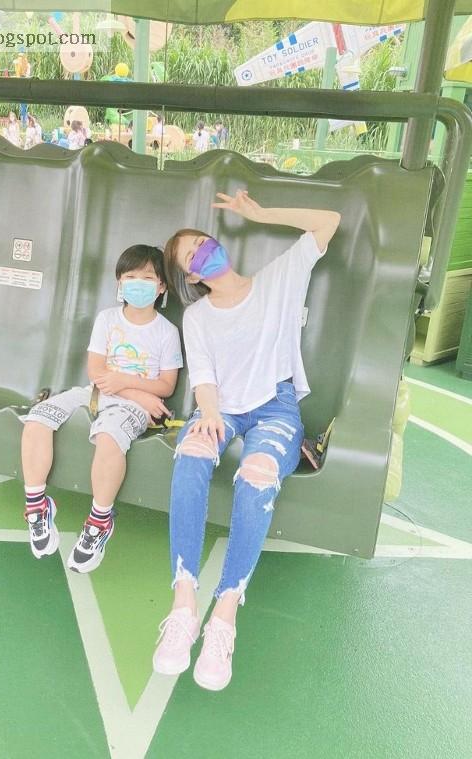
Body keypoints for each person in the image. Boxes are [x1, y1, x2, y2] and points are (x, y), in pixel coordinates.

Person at [152, 190, 341, 690]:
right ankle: (184, 605)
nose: (202, 252)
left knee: (257, 475)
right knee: (192, 452)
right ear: (190, 276)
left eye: (202, 242)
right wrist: (210, 413)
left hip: (276, 403)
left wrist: (260, 214)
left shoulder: (279, 278)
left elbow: (328, 220)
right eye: (190, 256)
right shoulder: (198, 316)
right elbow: (204, 376)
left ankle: (225, 614)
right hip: (221, 406)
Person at [20, 245, 183, 572]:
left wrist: (126, 387)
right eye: (130, 277)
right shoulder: (107, 319)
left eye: (147, 278)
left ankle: (100, 521)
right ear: (120, 282)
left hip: (132, 407)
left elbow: (166, 386)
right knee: (38, 419)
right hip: (97, 393)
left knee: (108, 437)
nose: (138, 284)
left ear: (161, 286)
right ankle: (37, 506)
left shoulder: (167, 332)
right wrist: (133, 389)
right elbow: (96, 371)